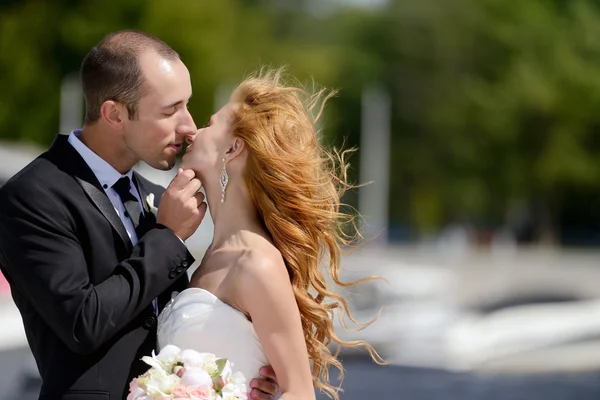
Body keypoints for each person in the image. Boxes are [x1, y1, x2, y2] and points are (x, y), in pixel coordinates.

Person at [0, 30, 278, 400]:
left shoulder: (155, 197)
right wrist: (167, 237)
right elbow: (83, 323)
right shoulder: (32, 195)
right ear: (114, 114)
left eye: (187, 104)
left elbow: (173, 329)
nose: (189, 126)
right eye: (169, 110)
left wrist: (235, 376)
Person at [157, 68, 383, 400]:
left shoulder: (257, 262)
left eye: (209, 124)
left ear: (234, 148)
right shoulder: (213, 255)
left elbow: (299, 393)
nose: (193, 131)